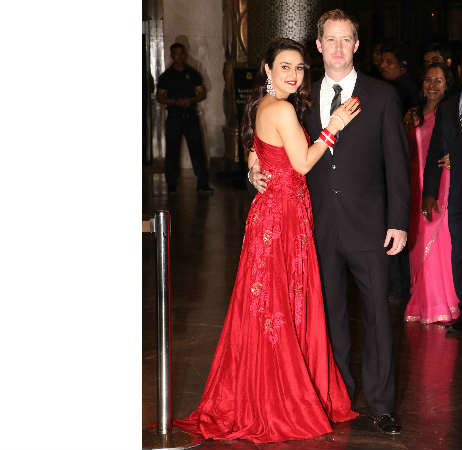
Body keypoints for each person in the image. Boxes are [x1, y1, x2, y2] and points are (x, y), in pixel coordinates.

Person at [173, 38, 361, 443]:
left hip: (270, 216)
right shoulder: (283, 109)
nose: (294, 75)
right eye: (285, 67)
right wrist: (333, 127)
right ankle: (279, 399)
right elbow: (303, 163)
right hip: (283, 218)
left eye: (299, 68)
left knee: (267, 305)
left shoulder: (261, 106)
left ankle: (263, 391)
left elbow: (256, 154)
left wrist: (252, 171)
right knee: (279, 304)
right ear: (268, 70)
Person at [301, 9, 410, 434]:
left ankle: (382, 405)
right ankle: (337, 398)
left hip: (370, 226)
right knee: (329, 316)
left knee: (378, 317)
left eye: (346, 39)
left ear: (357, 45)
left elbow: (397, 164)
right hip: (319, 225)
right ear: (318, 45)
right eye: (330, 39)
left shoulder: (381, 96)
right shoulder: (302, 97)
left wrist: (398, 221)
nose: (338, 48)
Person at [422, 47, 462, 336]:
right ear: (459, 70)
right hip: (459, 197)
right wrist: (429, 192)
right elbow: (435, 149)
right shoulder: (447, 106)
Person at [403, 63, 460, 325]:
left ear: (448, 84)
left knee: (437, 240)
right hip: (413, 183)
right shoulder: (412, 114)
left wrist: (456, 157)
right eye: (428, 80)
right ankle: (422, 301)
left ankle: (442, 302)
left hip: (439, 182)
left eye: (438, 80)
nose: (432, 85)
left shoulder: (452, 112)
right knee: (416, 241)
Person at [157, 43, 213, 193]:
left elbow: (202, 93)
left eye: (182, 53)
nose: (179, 56)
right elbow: (159, 96)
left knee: (197, 150)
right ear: (172, 55)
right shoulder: (166, 76)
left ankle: (202, 184)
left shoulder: (193, 73)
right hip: (174, 116)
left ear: (185, 54)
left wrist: (191, 100)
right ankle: (171, 184)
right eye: (176, 54)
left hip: (190, 116)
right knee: (172, 151)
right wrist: (174, 102)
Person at [379, 39, 420, 115]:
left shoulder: (405, 90)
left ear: (403, 65)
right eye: (382, 61)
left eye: (389, 62)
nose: (382, 65)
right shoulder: (393, 85)